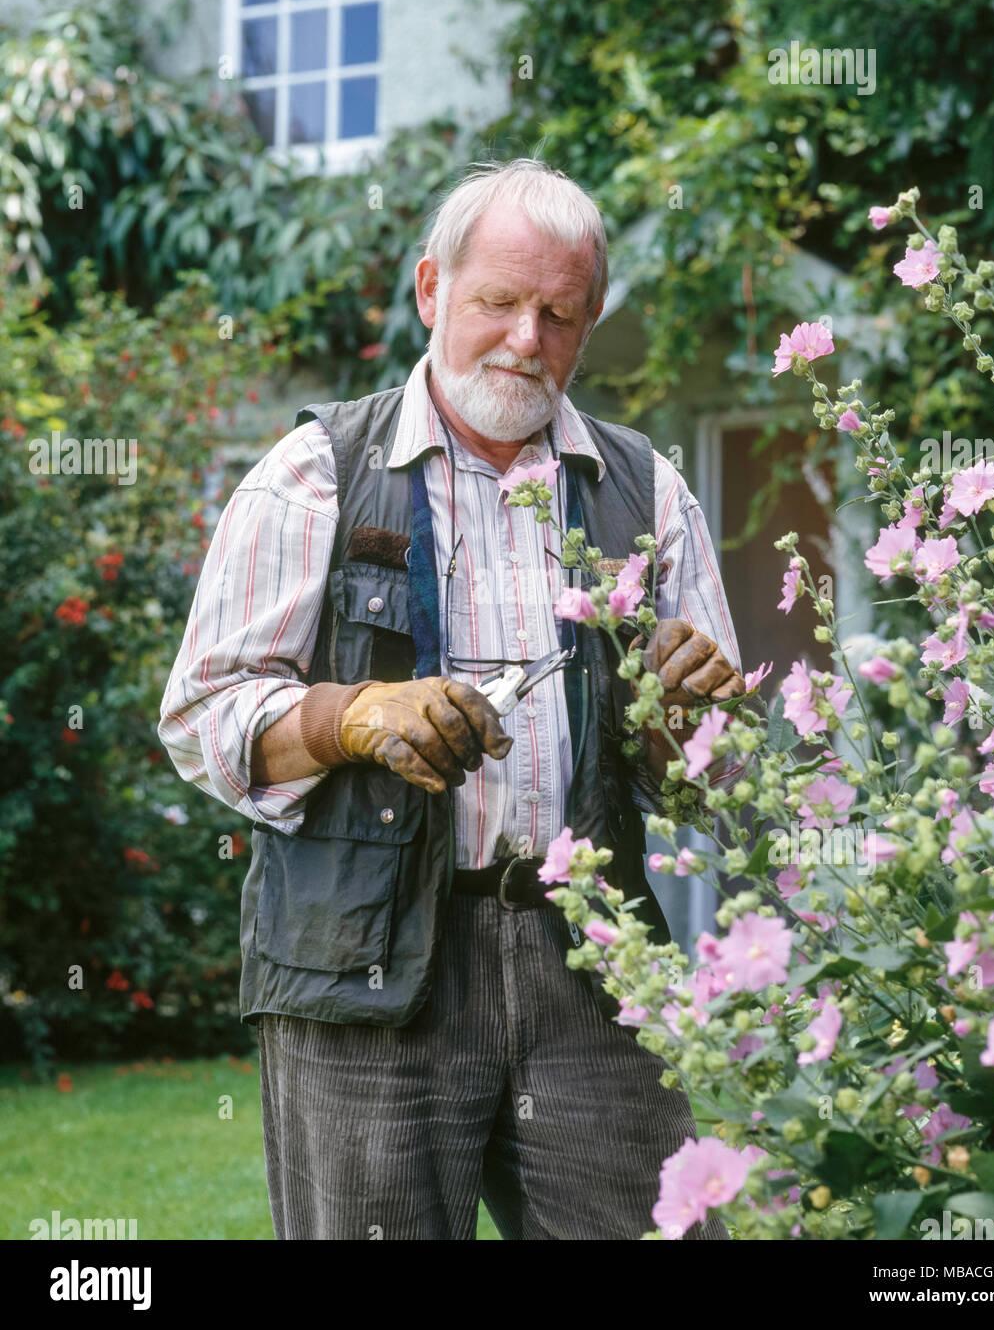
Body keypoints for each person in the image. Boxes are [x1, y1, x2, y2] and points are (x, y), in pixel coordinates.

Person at [159, 158, 745, 1240]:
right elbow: (200, 720)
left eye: (559, 313)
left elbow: (717, 788)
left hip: (589, 960)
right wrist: (349, 718)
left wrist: (693, 723)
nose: (527, 338)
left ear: (589, 319)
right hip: (367, 968)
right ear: (431, 291)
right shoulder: (314, 474)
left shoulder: (646, 489)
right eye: (497, 303)